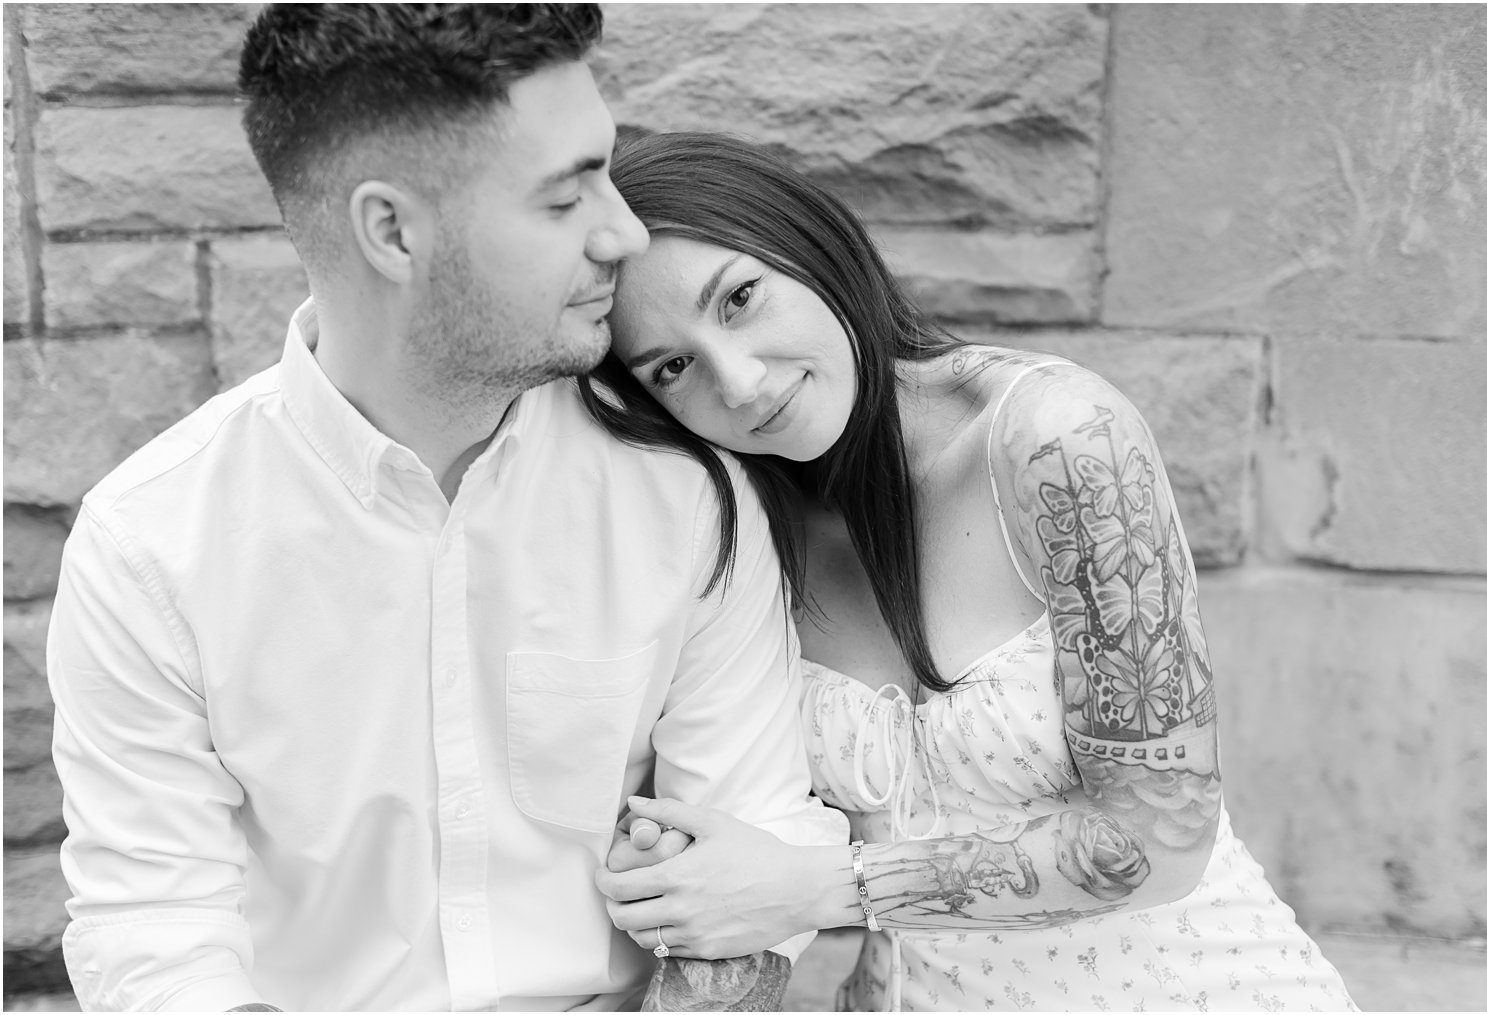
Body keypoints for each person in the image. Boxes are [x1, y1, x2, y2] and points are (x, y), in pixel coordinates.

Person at [46, 10, 845, 1012]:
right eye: (565, 200)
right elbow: (155, 934)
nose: (624, 231)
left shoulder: (684, 497)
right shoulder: (151, 546)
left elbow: (747, 862)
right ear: (392, 231)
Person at [582, 132, 1360, 1012]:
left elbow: (1158, 837)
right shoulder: (736, 524)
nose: (741, 380)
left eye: (741, 299)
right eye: (673, 366)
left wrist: (818, 885)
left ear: (809, 243)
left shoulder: (1057, 441)